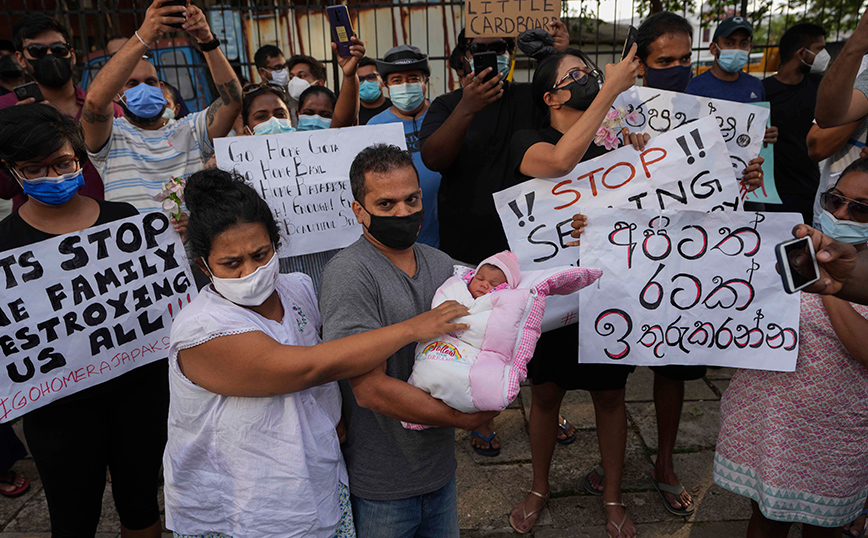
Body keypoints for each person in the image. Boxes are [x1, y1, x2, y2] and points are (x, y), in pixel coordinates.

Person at [163, 166, 470, 537]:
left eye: (261, 254)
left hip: (317, 484)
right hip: (244, 503)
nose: (251, 271)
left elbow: (335, 359)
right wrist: (412, 328)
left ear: (276, 243)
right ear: (203, 265)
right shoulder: (202, 328)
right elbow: (307, 368)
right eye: (231, 264)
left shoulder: (298, 289)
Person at [0, 103, 169, 537]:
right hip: (56, 411)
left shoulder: (127, 222)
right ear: (12, 171)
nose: (53, 177)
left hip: (140, 394)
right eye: (34, 169)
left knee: (141, 503)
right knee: (72, 518)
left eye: (63, 163)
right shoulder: (3, 247)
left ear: (80, 158)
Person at [319, 144, 498, 538]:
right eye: (386, 204)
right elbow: (369, 391)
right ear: (358, 211)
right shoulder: (350, 274)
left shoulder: (439, 263)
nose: (403, 213)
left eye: (411, 199)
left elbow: (503, 299)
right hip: (383, 485)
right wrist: (464, 420)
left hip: (439, 472)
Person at [630, 13, 767, 519]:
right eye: (665, 60)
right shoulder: (614, 110)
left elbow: (727, 182)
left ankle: (664, 461)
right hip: (627, 254)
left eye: (685, 59)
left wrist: (746, 176)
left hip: (686, 256)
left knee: (675, 368)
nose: (677, 68)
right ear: (640, 61)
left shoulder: (712, 112)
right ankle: (612, 465)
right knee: (610, 368)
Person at [506, 46, 643, 537]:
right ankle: (540, 486)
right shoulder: (528, 140)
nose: (588, 77)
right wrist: (610, 88)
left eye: (589, 71)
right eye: (577, 74)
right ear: (551, 95)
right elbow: (561, 164)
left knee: (611, 396)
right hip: (555, 298)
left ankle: (612, 493)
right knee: (544, 395)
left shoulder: (614, 152)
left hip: (605, 296)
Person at [714, 157, 868, 538]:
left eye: (860, 209)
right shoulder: (788, 244)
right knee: (764, 521)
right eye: (835, 201)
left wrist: (826, 283)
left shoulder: (818, 262)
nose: (841, 213)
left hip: (836, 434)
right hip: (768, 419)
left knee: (823, 529)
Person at [419, 20, 569, 265]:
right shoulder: (446, 104)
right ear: (465, 56)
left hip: (529, 246)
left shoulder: (531, 97)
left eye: (499, 47)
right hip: (464, 250)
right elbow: (433, 159)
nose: (489, 55)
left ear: (509, 54)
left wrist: (558, 56)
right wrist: (466, 109)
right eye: (478, 49)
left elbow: (571, 112)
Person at [81, 0, 242, 213]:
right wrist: (145, 35)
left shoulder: (191, 130)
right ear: (118, 94)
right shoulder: (109, 137)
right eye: (132, 84)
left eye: (150, 82)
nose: (143, 88)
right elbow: (94, 102)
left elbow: (233, 101)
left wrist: (206, 39)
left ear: (161, 87)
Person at [0, 15, 124, 210]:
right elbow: (3, 189)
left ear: (72, 55)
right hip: (38, 233)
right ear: (21, 59)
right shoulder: (6, 111)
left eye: (59, 49)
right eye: (37, 51)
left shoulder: (103, 109)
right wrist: (15, 136)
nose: (50, 56)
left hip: (104, 224)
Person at [368, 45, 441, 248]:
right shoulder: (375, 125)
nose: (406, 86)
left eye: (413, 79)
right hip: (400, 230)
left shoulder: (444, 114)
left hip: (450, 225)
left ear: (426, 81)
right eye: (397, 80)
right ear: (386, 85)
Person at [763, 23, 827, 224]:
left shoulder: (819, 86)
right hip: (775, 192)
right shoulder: (763, 90)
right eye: (819, 49)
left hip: (811, 187)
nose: (824, 55)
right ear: (802, 52)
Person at [358, 57, 390, 125]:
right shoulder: (351, 114)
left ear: (382, 79)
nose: (365, 82)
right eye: (359, 79)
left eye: (371, 77)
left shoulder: (395, 109)